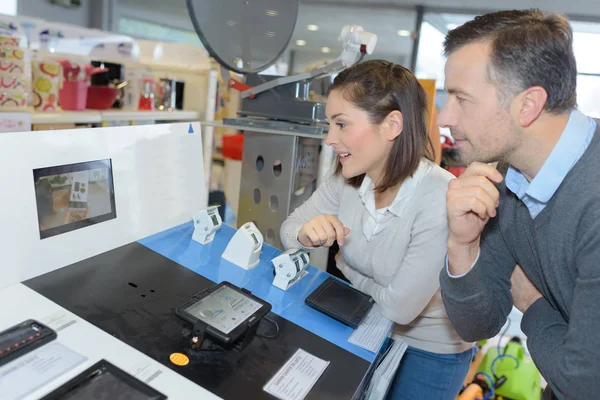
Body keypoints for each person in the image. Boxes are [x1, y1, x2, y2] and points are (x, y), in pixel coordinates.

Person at [280, 60, 475, 399]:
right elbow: (288, 229)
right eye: (329, 124)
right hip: (365, 322)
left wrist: (342, 266)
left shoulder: (438, 199)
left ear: (391, 125)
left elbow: (399, 308)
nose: (329, 139)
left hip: (428, 350)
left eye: (341, 124)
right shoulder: (347, 176)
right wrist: (305, 235)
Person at [437, 9, 600, 400]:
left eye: (461, 99)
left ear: (528, 105)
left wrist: (533, 306)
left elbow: (586, 383)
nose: (444, 117)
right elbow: (478, 323)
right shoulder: (508, 182)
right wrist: (463, 245)